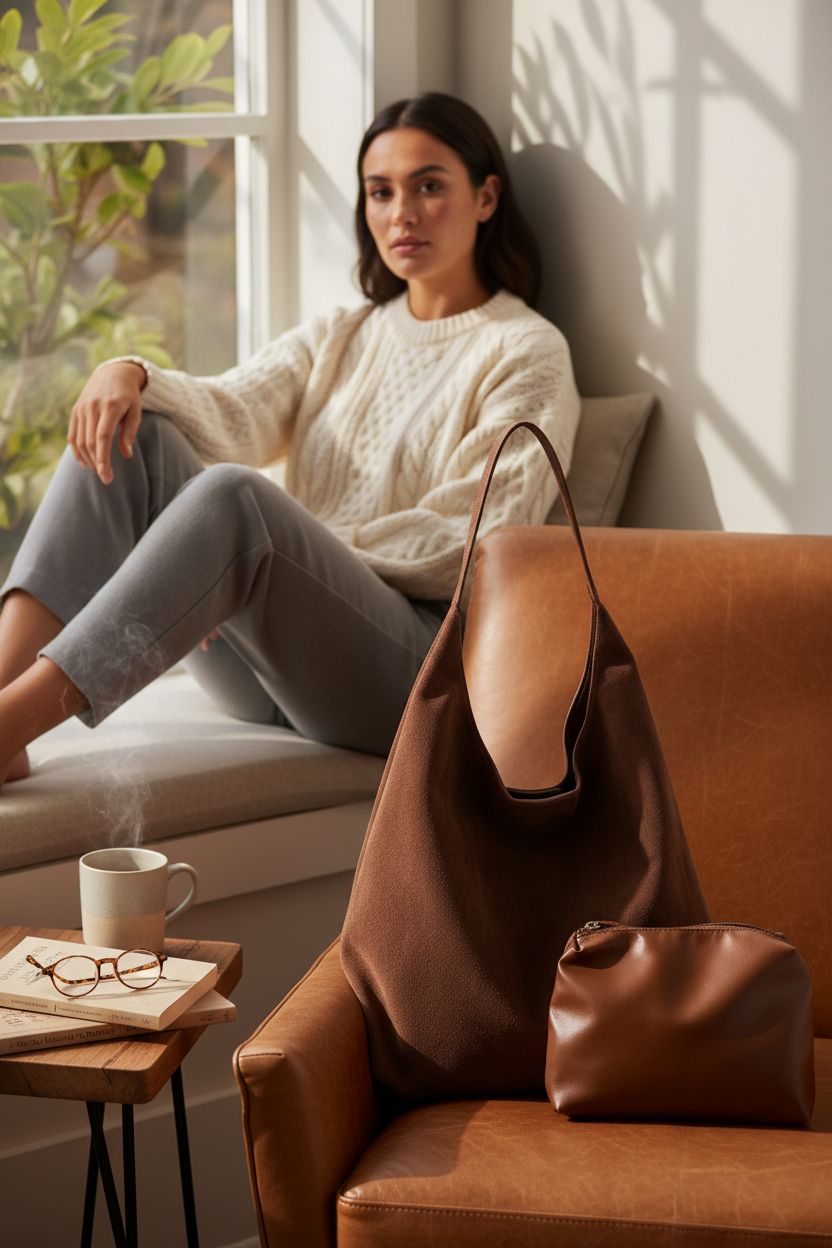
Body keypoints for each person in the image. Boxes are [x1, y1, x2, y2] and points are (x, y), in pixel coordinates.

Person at [0, 92, 579, 787]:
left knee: (237, 501)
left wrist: (277, 561)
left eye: (429, 186)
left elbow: (477, 543)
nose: (403, 213)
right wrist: (127, 374)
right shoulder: (344, 334)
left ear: (486, 198)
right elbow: (228, 408)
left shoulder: (527, 351)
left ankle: (10, 723)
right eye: (380, 191)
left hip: (414, 673)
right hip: (273, 665)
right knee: (139, 431)